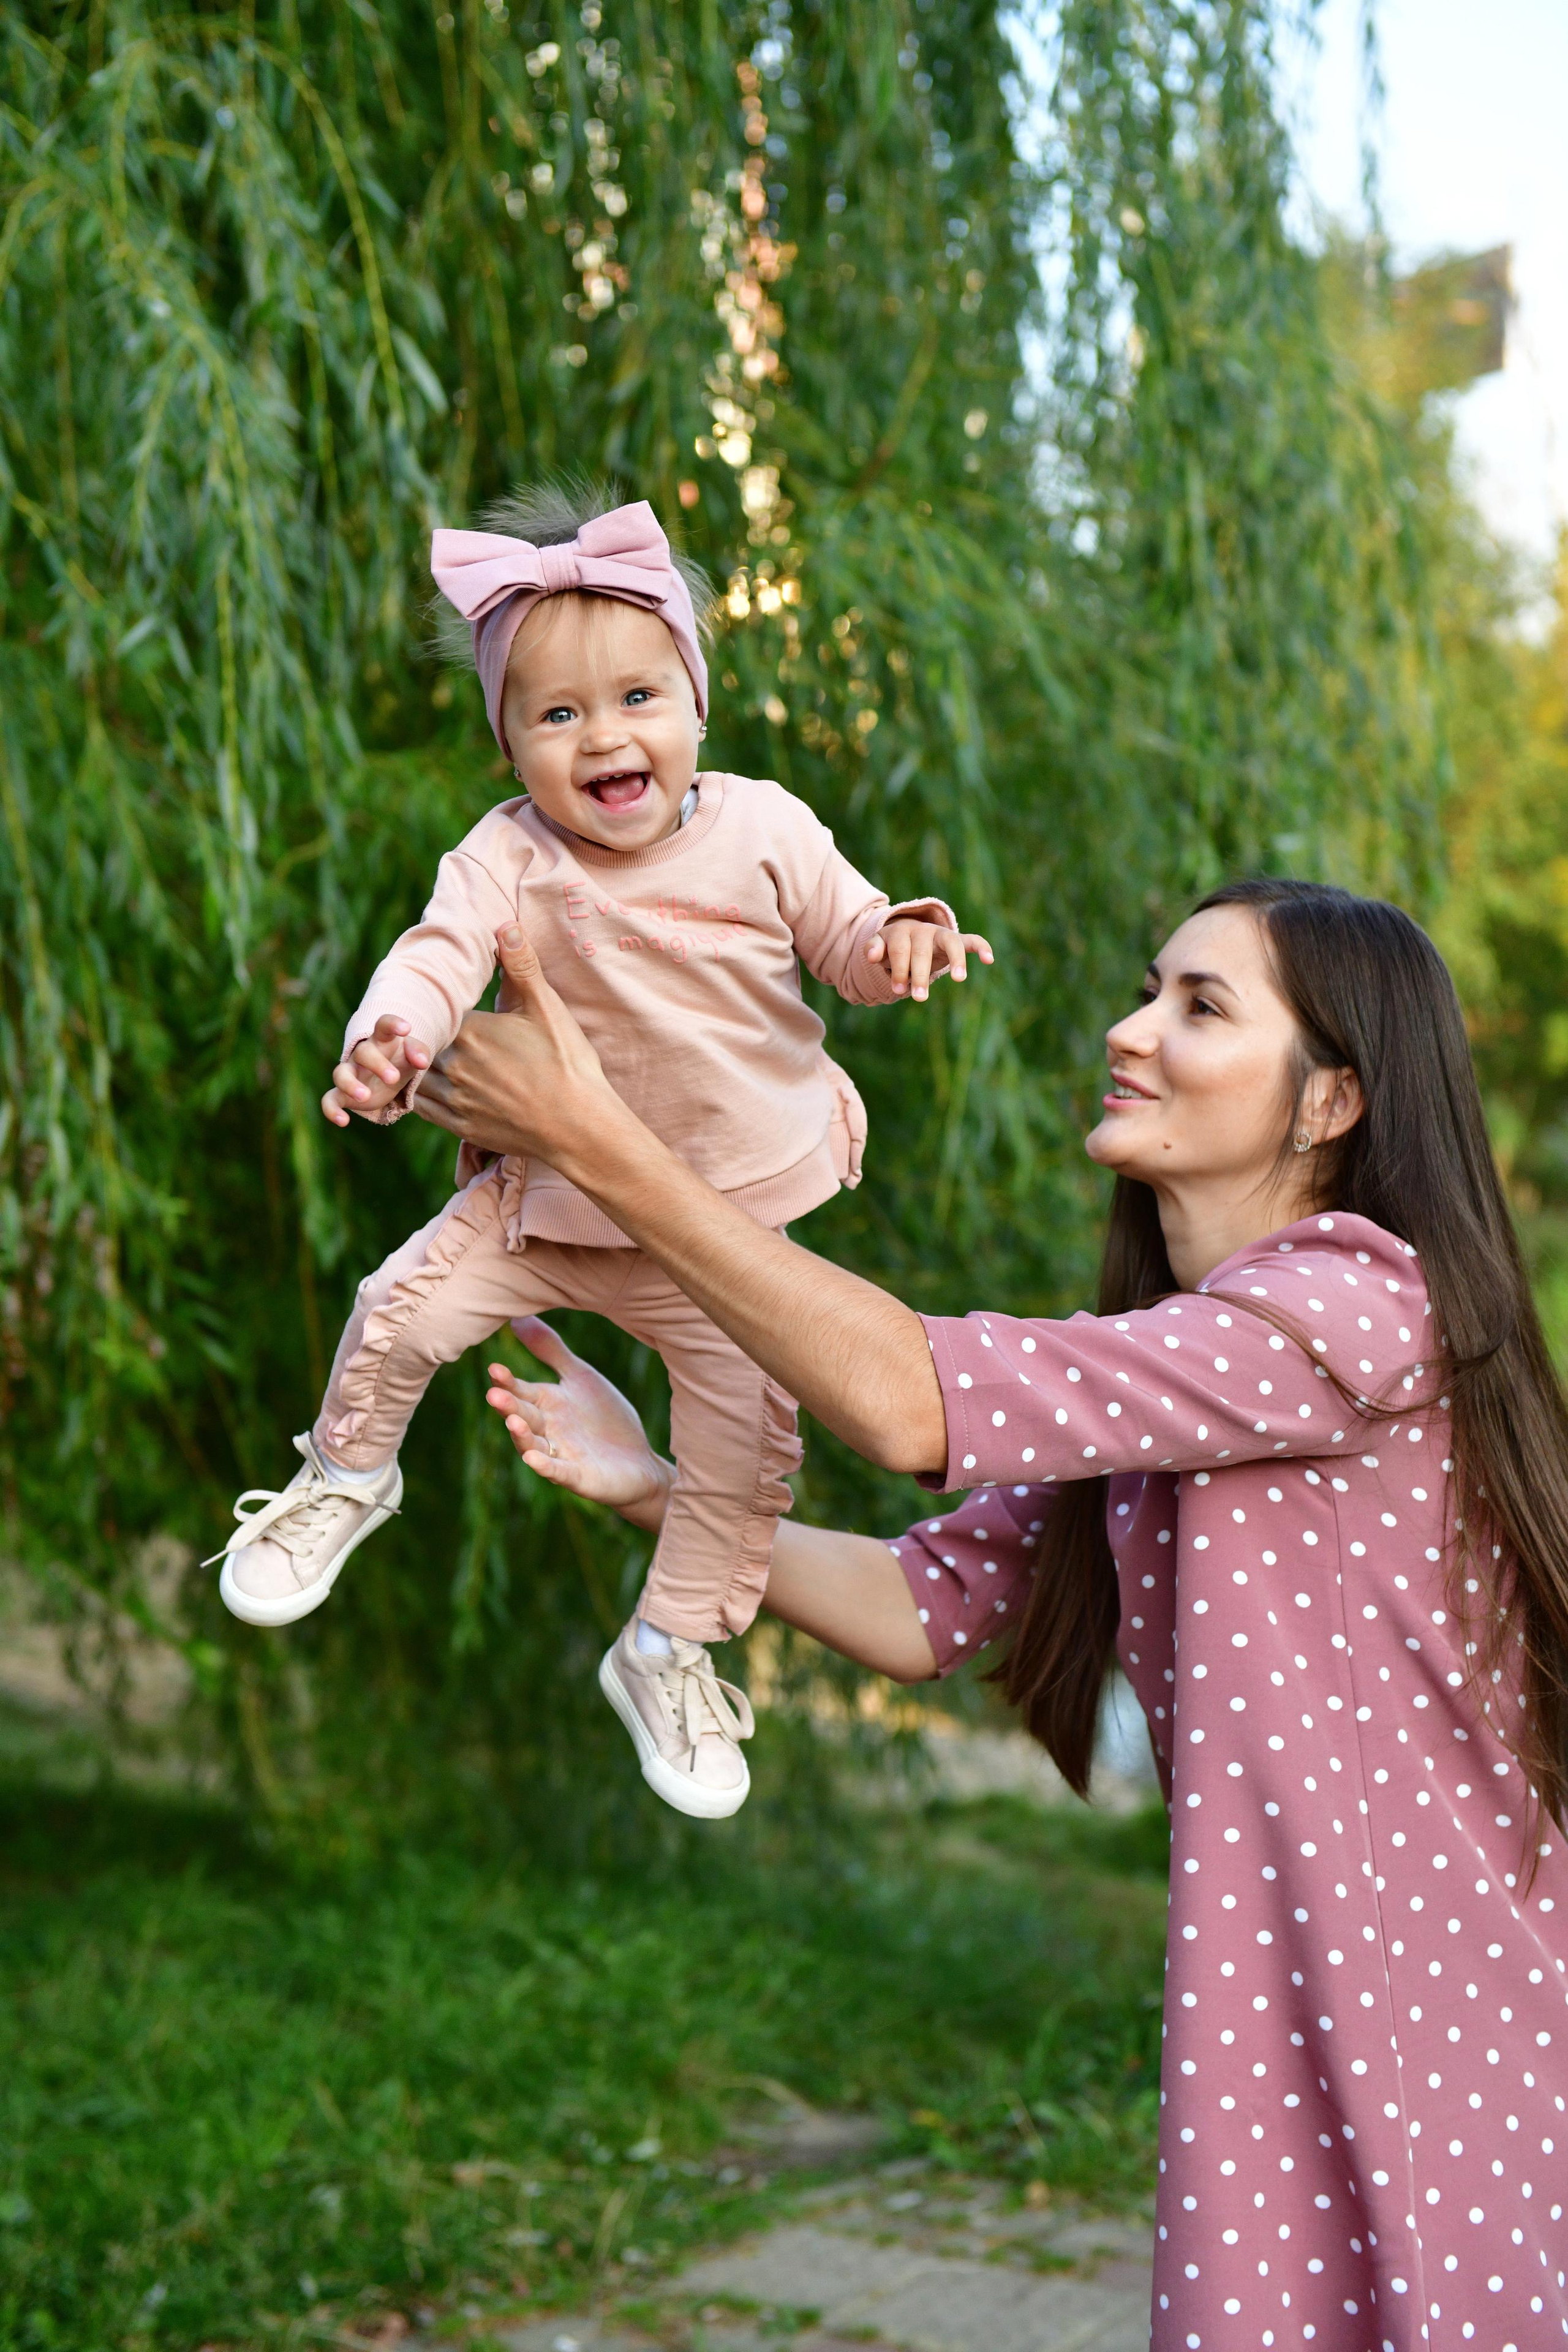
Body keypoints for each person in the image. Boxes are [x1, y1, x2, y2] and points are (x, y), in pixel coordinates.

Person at [412, 876, 1568, 2349]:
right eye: (1150, 988)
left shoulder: (1361, 1306)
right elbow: (924, 1601)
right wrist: (656, 1492)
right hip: (1286, 2008)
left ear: (1329, 1097)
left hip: (1430, 2015)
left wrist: (601, 1146)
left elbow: (903, 1401)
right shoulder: (1188, 1371)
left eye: (1197, 1007)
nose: (1127, 1030)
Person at [207, 483, 990, 1822]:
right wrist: (391, 1039)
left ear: (695, 706)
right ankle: (344, 1475)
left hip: (718, 1239)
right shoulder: (506, 855)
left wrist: (901, 940)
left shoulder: (765, 829)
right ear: (509, 747)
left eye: (637, 699)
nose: (602, 737)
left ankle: (669, 1644)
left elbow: (849, 940)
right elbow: (434, 957)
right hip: (540, 1206)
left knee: (746, 1448)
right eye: (556, 715)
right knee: (395, 1311)